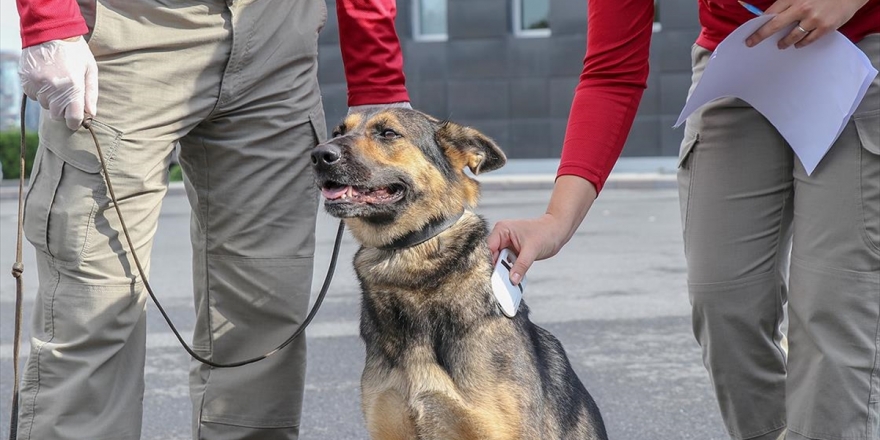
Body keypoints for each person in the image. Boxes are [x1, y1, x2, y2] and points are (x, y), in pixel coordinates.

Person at [14, 0, 409, 439]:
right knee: (92, 306)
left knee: (264, 312)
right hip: (130, 27)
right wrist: (48, 20)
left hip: (277, 36)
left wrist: (376, 73)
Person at [488, 0, 879, 438]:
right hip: (738, 62)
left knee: (832, 311)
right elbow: (611, 73)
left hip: (861, 51)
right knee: (724, 302)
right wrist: (555, 220)